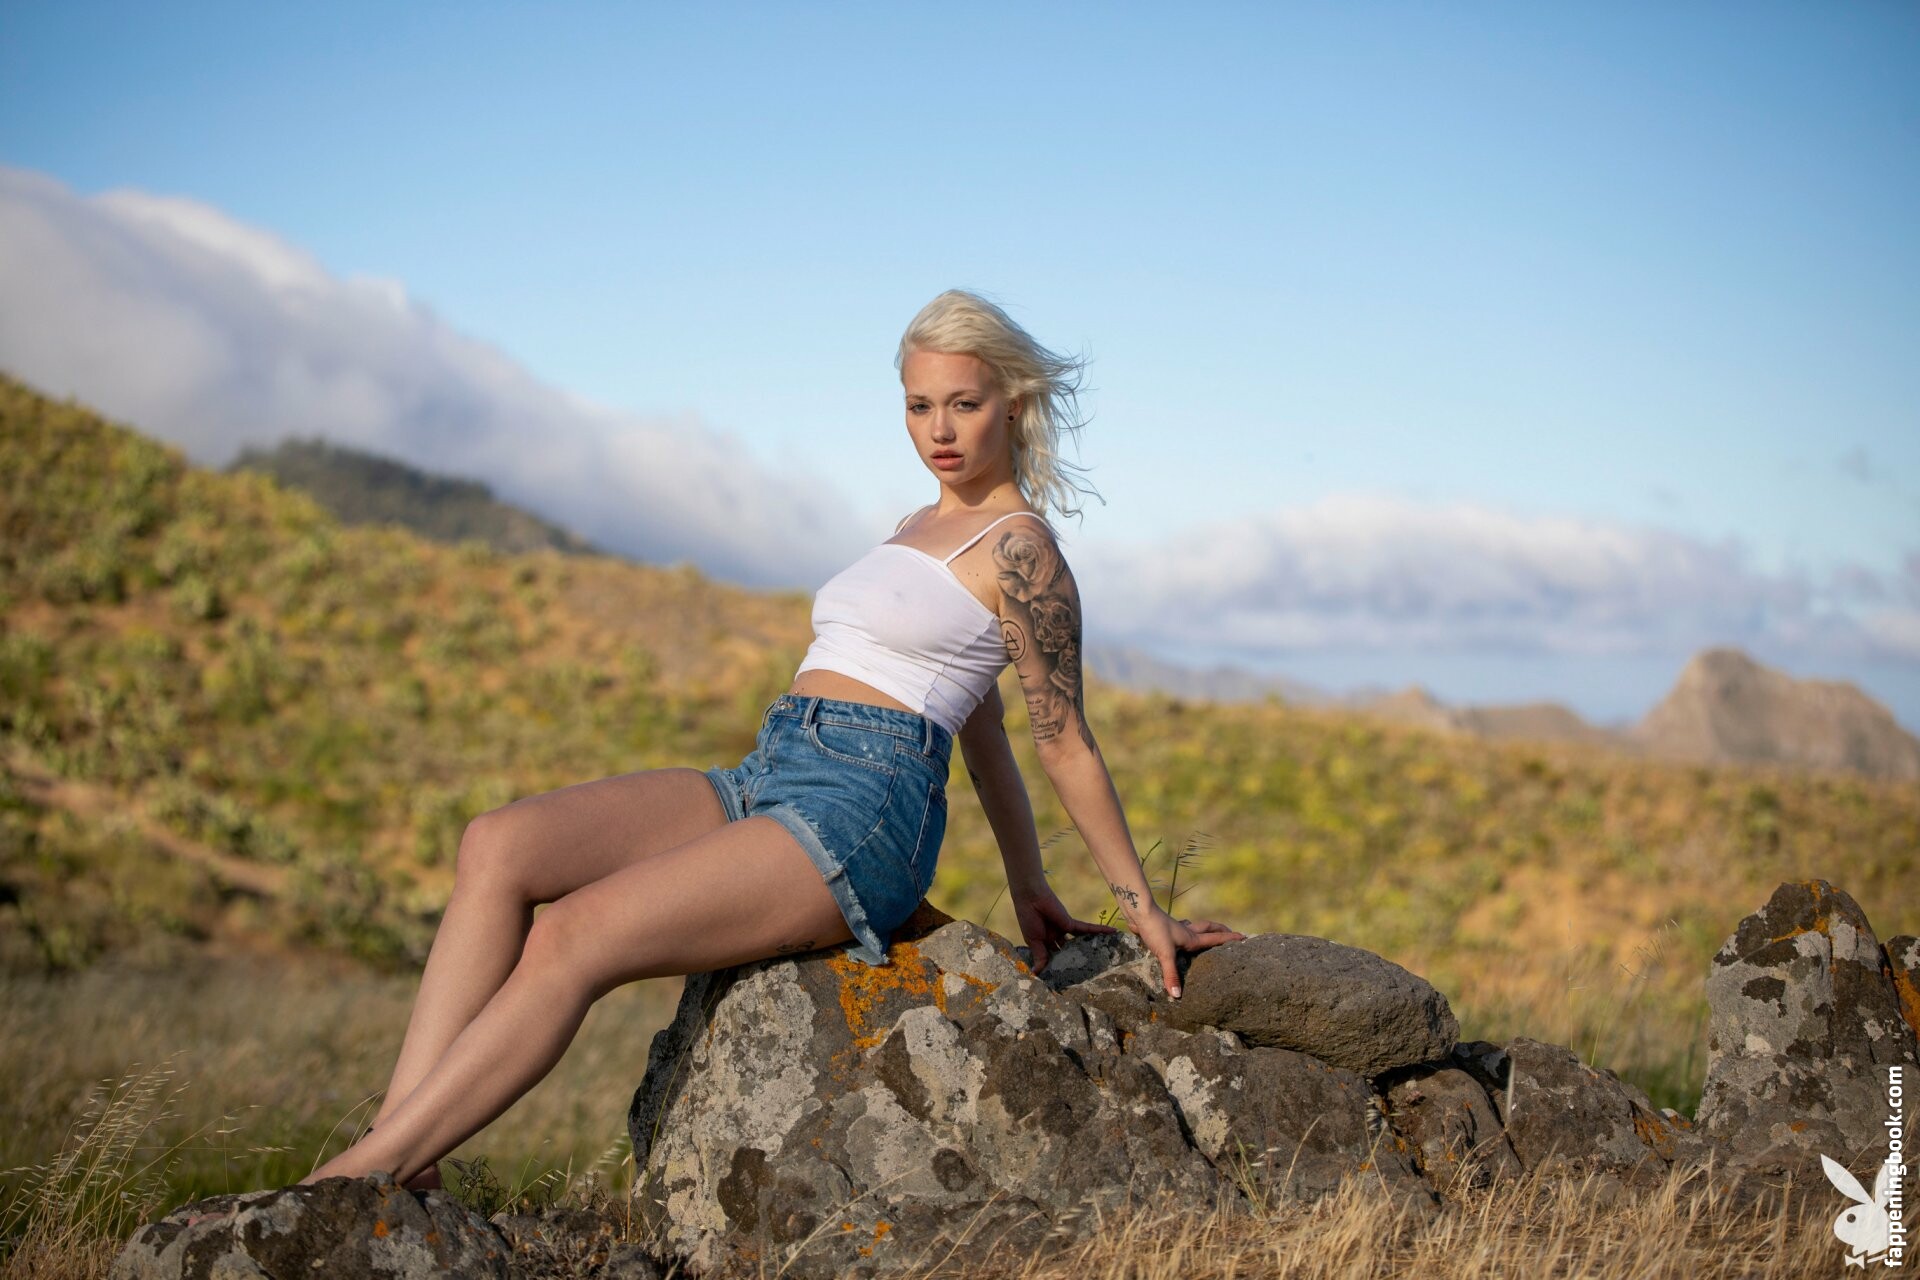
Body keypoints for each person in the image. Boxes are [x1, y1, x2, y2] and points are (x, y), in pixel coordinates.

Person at [297, 288, 1246, 1194]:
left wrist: (1140, 910)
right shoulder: (916, 525)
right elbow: (983, 727)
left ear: (1014, 403)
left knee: (572, 937)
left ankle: (363, 1175)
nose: (940, 430)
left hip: (864, 806)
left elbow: (1061, 739)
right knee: (497, 846)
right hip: (774, 765)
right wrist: (1027, 883)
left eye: (964, 403)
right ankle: (401, 1141)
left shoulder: (1021, 550)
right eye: (919, 406)